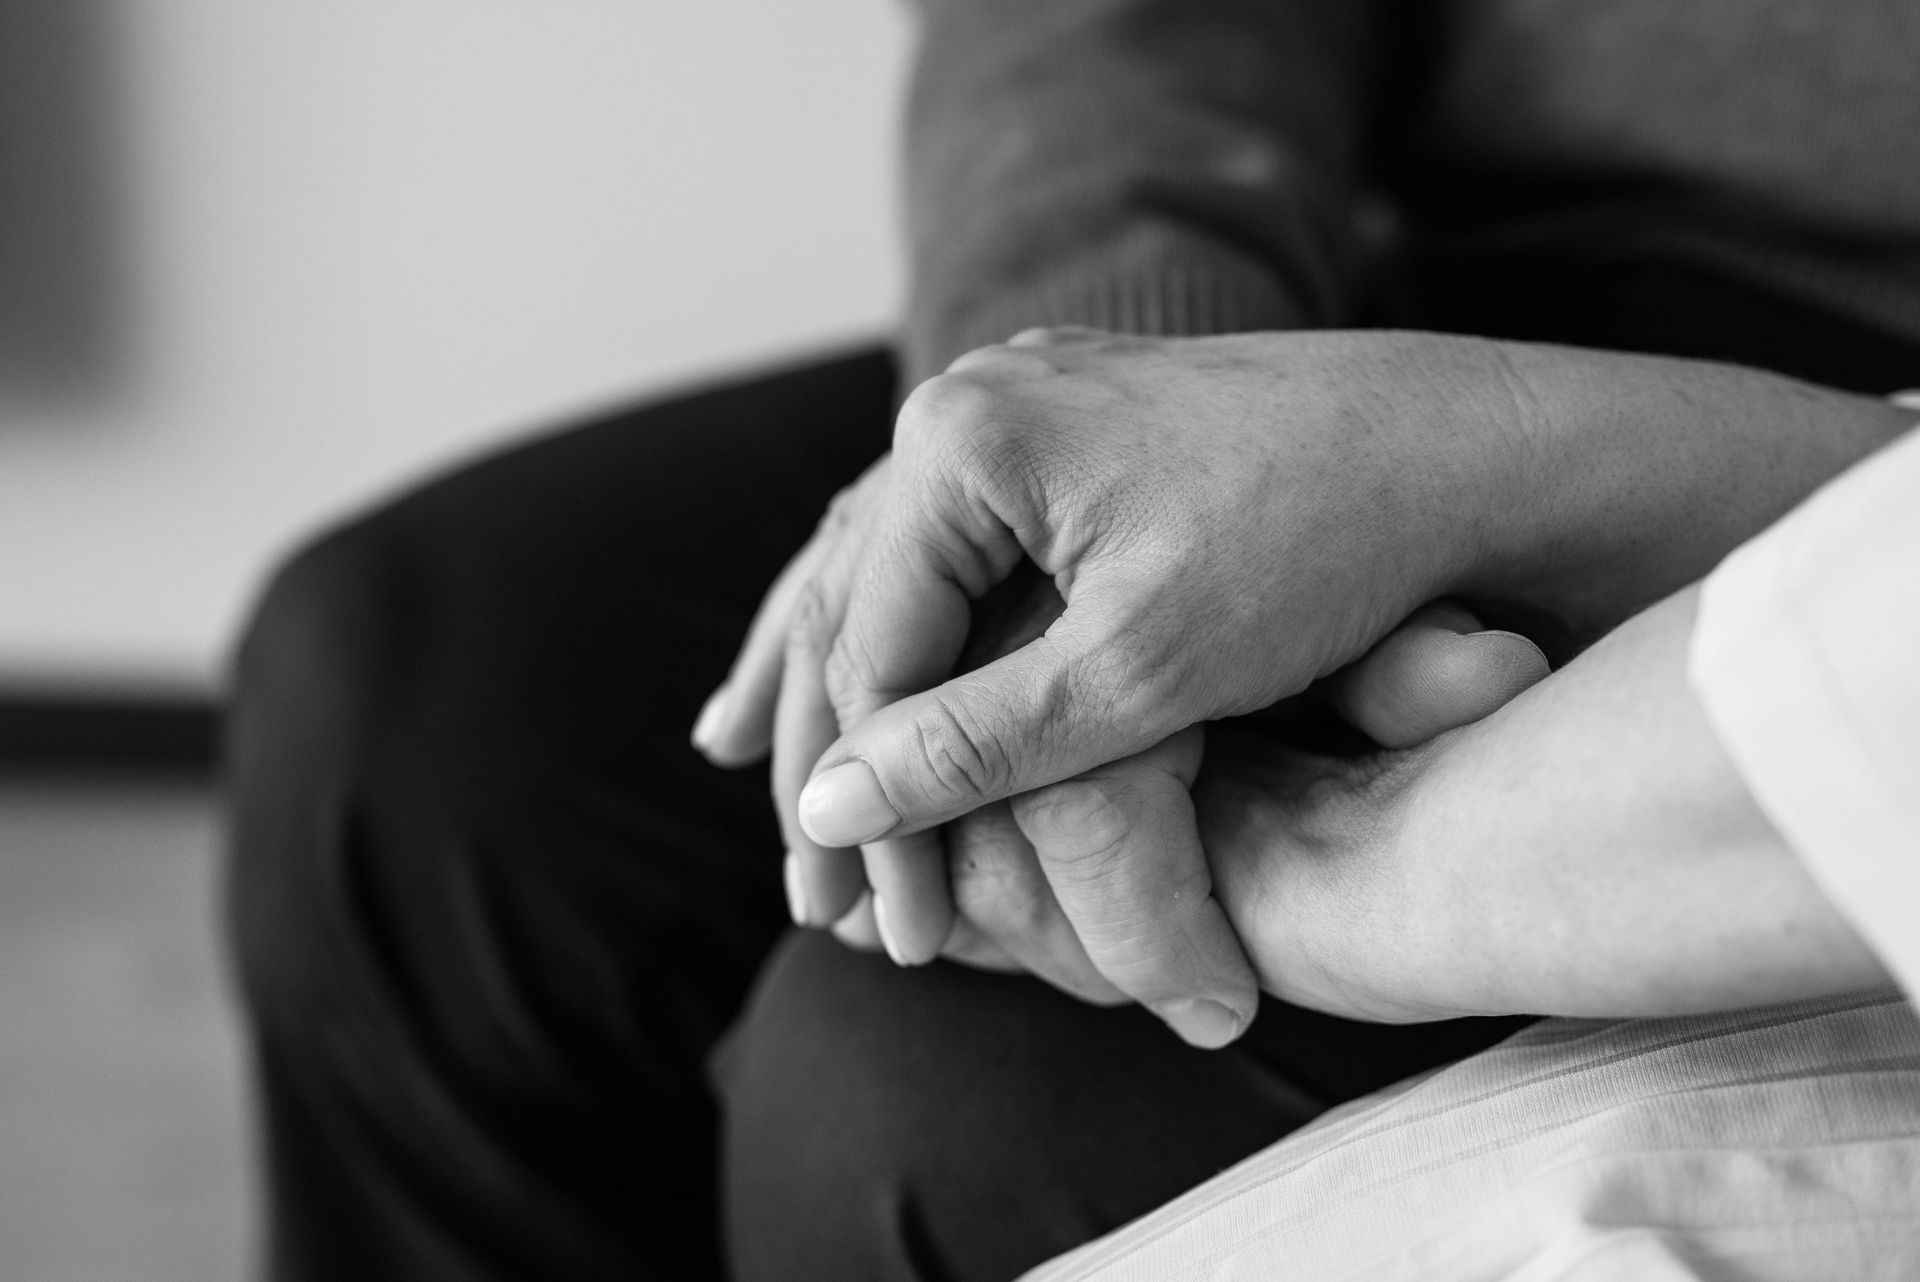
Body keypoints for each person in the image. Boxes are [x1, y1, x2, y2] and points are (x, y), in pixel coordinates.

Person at [224, 2, 1920, 1279]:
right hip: (1438, 273)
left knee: (925, 1084)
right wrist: (1117, 454)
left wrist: (1330, 792)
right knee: (422, 707)